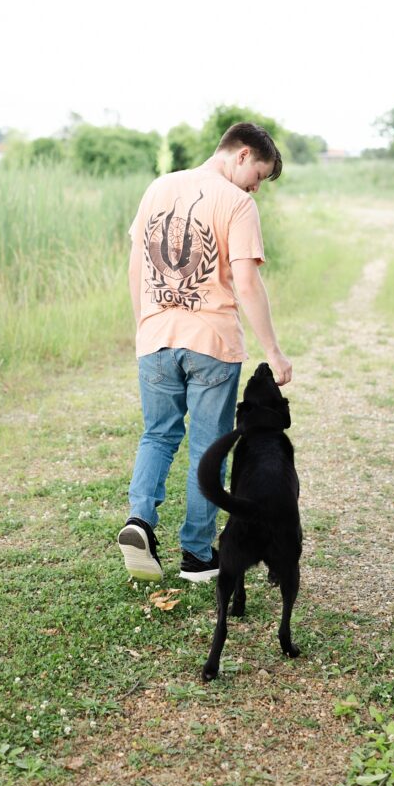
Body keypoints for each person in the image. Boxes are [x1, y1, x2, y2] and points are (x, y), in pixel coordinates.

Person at [117, 122, 293, 583]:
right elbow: (248, 283)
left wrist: (145, 324)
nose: (257, 185)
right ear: (240, 155)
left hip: (155, 336)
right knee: (206, 447)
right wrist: (273, 352)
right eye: (258, 173)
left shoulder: (159, 187)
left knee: (157, 434)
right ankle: (196, 554)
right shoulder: (237, 203)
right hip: (212, 344)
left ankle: (139, 521)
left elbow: (136, 265)